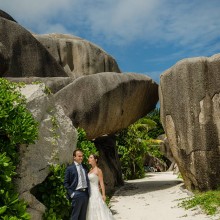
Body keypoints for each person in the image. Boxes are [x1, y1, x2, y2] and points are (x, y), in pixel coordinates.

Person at [86, 154, 115, 220]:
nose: (89, 159)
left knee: (98, 209)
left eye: (91, 157)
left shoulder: (98, 170)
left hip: (95, 192)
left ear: (95, 160)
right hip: (90, 192)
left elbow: (101, 183)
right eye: (89, 157)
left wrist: (103, 195)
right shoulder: (90, 170)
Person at [64, 149, 90, 220]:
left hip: (85, 194)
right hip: (76, 194)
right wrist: (72, 194)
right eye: (79, 156)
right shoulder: (69, 168)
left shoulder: (85, 167)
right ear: (74, 157)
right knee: (74, 217)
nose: (81, 158)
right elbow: (66, 183)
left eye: (82, 156)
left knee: (83, 217)